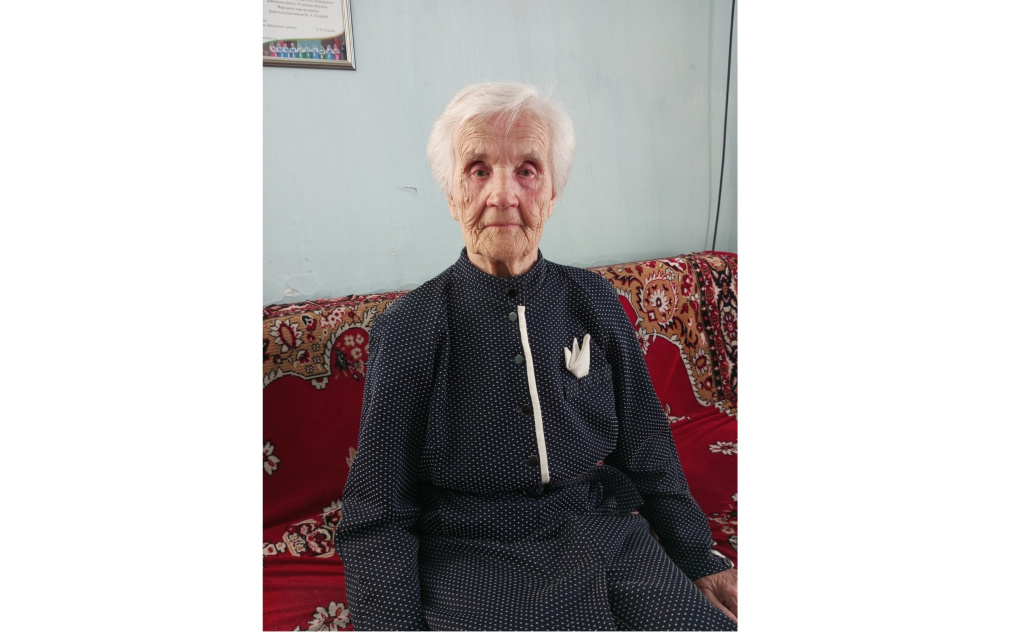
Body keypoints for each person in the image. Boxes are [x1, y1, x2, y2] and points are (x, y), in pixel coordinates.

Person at [335, 82, 738, 631]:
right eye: (478, 170)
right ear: (451, 194)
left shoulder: (594, 300)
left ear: (552, 192)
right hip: (475, 551)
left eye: (527, 170)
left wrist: (697, 557)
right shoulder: (410, 327)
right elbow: (377, 509)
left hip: (600, 526)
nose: (503, 195)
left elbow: (646, 443)